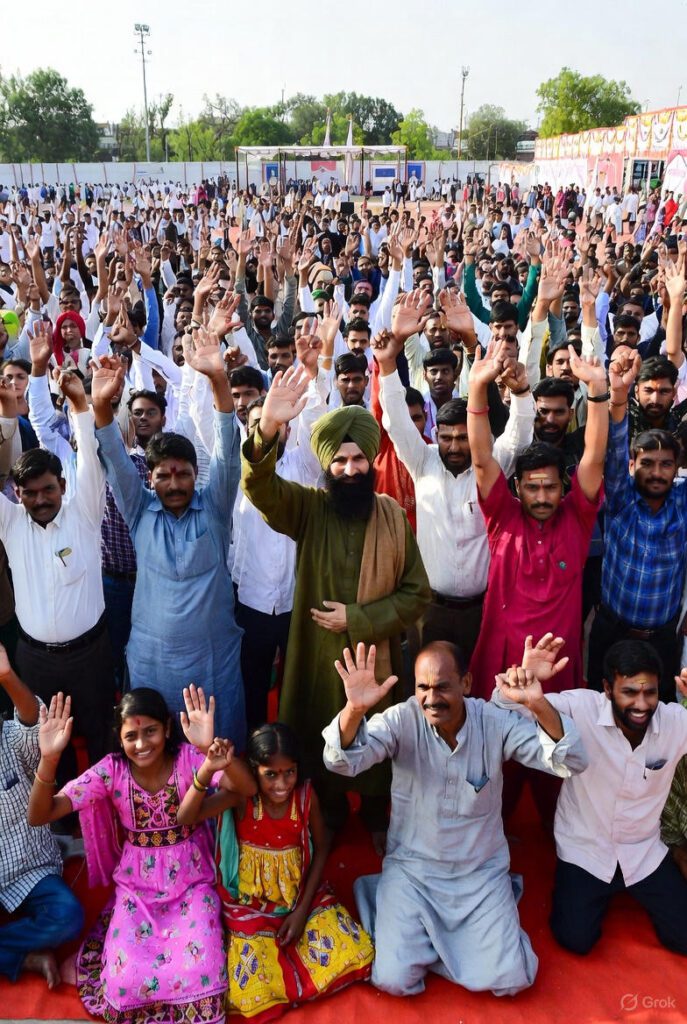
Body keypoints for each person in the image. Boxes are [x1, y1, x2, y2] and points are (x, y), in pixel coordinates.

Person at [322, 641, 586, 997]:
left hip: (478, 873)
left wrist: (537, 703)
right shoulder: (402, 718)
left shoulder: (493, 721)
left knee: (513, 977)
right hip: (413, 871)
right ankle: (405, 916)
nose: (431, 698)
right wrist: (354, 710)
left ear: (465, 683)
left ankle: (425, 940)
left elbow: (571, 762)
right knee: (393, 980)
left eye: (442, 686)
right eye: (422, 687)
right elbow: (341, 761)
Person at [241, 366, 431, 840]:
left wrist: (360, 618)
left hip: (375, 654)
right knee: (317, 729)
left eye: (358, 459)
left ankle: (372, 810)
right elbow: (260, 490)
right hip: (317, 655)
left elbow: (417, 593)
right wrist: (266, 428)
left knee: (376, 735)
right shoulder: (309, 508)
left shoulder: (391, 515)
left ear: (370, 461)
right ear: (326, 466)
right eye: (340, 461)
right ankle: (327, 808)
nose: (350, 469)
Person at [27, 685, 255, 1024]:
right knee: (124, 985)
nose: (141, 743)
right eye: (131, 735)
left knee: (203, 973)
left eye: (150, 731)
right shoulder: (111, 770)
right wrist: (49, 760)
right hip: (137, 891)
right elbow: (40, 814)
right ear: (119, 739)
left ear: (166, 728)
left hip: (193, 884)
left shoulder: (189, 759)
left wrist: (209, 748)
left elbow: (247, 789)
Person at [92, 330, 246, 745]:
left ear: (196, 476)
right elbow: (112, 456)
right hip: (151, 663)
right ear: (151, 477)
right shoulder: (140, 509)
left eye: (183, 473)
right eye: (163, 474)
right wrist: (102, 405)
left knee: (219, 753)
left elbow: (228, 452)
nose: (174, 482)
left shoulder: (214, 507)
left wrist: (218, 381)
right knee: (153, 752)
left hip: (213, 663)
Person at [494, 633, 687, 957]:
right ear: (607, 688)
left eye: (649, 693)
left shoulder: (675, 723)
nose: (641, 704)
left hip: (643, 852)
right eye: (629, 692)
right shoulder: (580, 707)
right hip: (586, 850)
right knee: (575, 939)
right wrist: (523, 683)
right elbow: (499, 714)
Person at [177, 722, 374, 1020]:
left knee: (354, 951)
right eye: (270, 774)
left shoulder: (306, 796)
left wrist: (301, 910)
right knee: (252, 990)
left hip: (297, 901)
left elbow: (322, 846)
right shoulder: (242, 799)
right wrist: (207, 770)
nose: (282, 784)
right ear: (254, 771)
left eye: (289, 772)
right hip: (249, 909)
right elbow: (186, 817)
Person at [467, 342, 608, 698]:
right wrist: (476, 387)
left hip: (557, 669)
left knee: (555, 748)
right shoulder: (502, 516)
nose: (542, 497)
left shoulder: (577, 518)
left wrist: (597, 392)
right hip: (503, 663)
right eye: (533, 488)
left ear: (564, 487)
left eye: (550, 487)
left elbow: (593, 457)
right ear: (517, 487)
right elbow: (482, 459)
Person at [587, 353, 687, 701]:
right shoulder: (620, 497)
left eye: (665, 465)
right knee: (597, 707)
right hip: (611, 629)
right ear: (632, 464)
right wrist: (617, 395)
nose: (656, 472)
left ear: (677, 469)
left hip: (661, 637)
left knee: (658, 714)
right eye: (647, 463)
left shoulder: (683, 504)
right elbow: (613, 445)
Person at [0, 645, 83, 988]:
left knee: (68, 917)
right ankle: (26, 954)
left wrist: (6, 676)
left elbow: (32, 721)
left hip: (33, 870)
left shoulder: (9, 738)